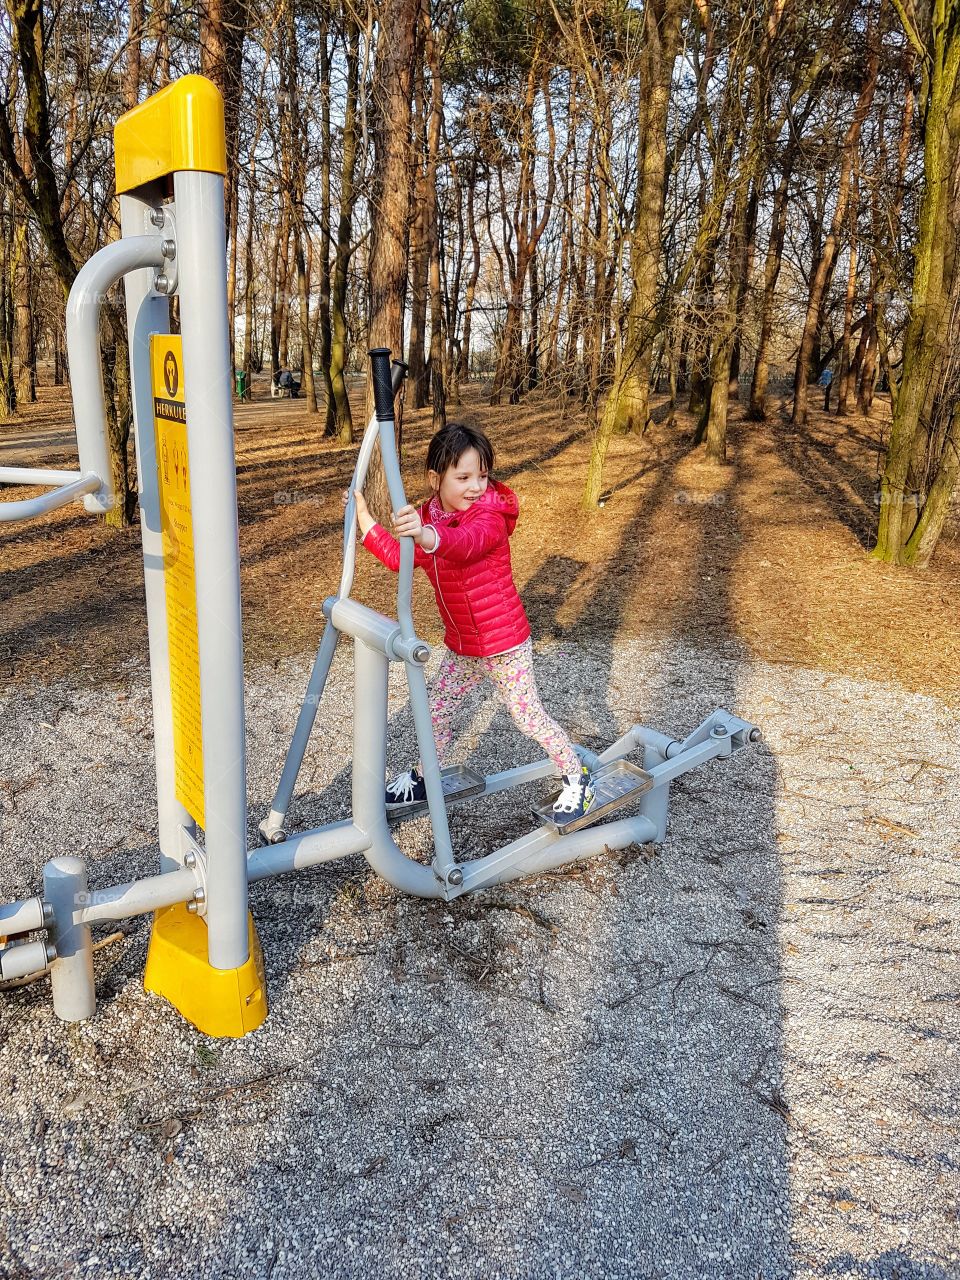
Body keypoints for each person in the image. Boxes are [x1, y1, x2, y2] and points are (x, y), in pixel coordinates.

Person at [347, 422, 596, 823]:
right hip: (463, 645)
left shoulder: (490, 516)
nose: (476, 486)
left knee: (527, 716)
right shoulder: (428, 514)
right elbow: (401, 559)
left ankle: (575, 775)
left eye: (481, 475)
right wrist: (367, 523)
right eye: (463, 477)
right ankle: (427, 776)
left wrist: (428, 536)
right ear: (436, 478)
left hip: (504, 644)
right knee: (433, 711)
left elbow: (463, 545)